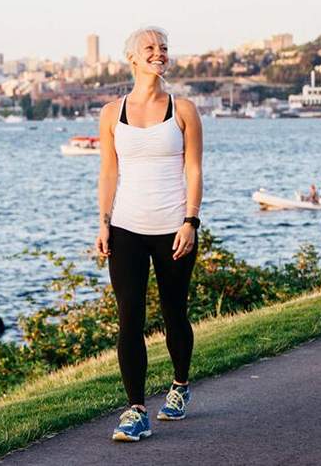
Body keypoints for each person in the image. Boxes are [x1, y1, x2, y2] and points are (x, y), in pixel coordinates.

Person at [96, 26, 203, 442]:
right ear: (133, 59)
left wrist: (190, 221)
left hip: (173, 227)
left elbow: (193, 169)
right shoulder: (111, 113)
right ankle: (136, 409)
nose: (159, 53)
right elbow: (109, 171)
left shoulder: (183, 109)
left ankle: (179, 386)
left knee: (175, 311)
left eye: (163, 48)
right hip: (126, 229)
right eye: (150, 48)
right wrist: (103, 222)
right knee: (129, 320)